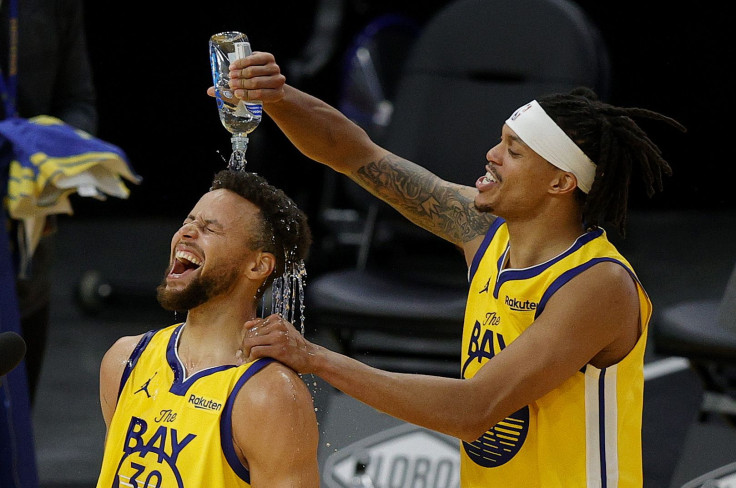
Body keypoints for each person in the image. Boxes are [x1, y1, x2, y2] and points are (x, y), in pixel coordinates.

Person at [224, 52, 685, 486]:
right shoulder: (482, 231)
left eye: (515, 151)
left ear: (561, 182)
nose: (491, 154)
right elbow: (354, 154)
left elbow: (474, 409)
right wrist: (279, 97)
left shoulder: (597, 283)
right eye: (500, 140)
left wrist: (316, 358)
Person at [95, 169, 319, 488]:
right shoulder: (123, 360)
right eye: (188, 221)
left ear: (257, 265)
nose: (186, 233)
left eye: (209, 229)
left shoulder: (271, 396)